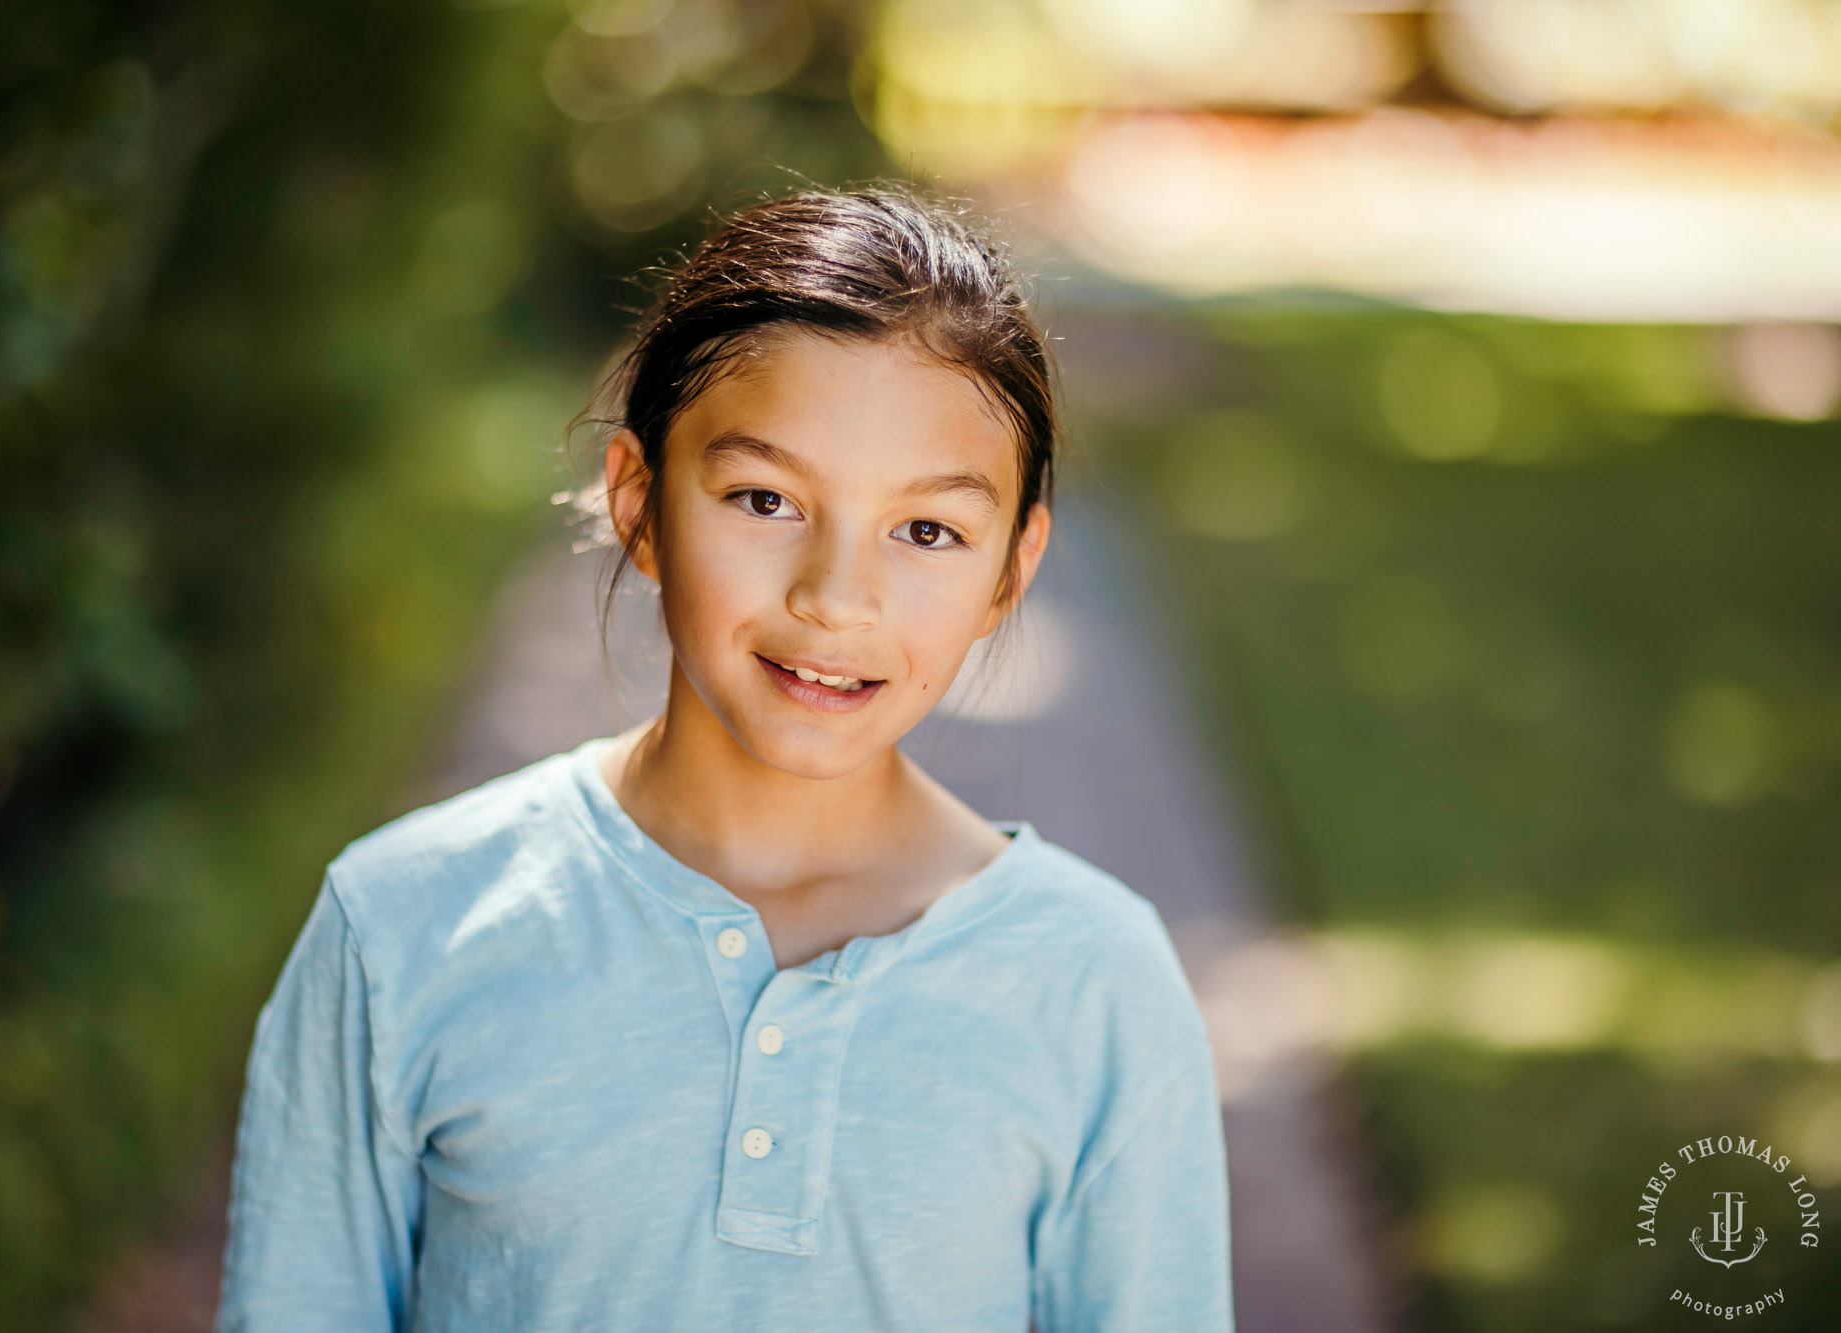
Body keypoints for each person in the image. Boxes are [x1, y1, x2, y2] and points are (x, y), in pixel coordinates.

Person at [214, 184, 1232, 1332]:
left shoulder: (1094, 980)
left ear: (1010, 568)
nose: (834, 598)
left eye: (926, 530)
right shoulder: (402, 926)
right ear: (639, 505)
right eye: (763, 498)